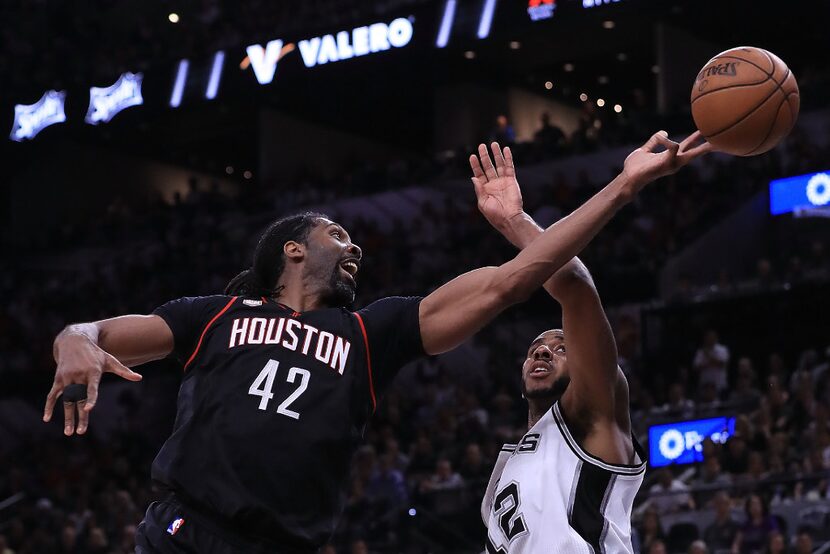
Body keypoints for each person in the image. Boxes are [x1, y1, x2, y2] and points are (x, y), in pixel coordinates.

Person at [44, 131, 710, 553]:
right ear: (293, 251)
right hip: (188, 531)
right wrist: (74, 338)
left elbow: (513, 283)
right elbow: (102, 334)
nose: (355, 244)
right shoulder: (211, 316)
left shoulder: (373, 331)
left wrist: (620, 187)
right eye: (339, 234)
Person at [471, 134, 711, 553]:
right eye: (535, 348)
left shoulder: (596, 413)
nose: (543, 351)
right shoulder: (509, 468)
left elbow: (577, 286)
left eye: (561, 346)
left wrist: (514, 221)